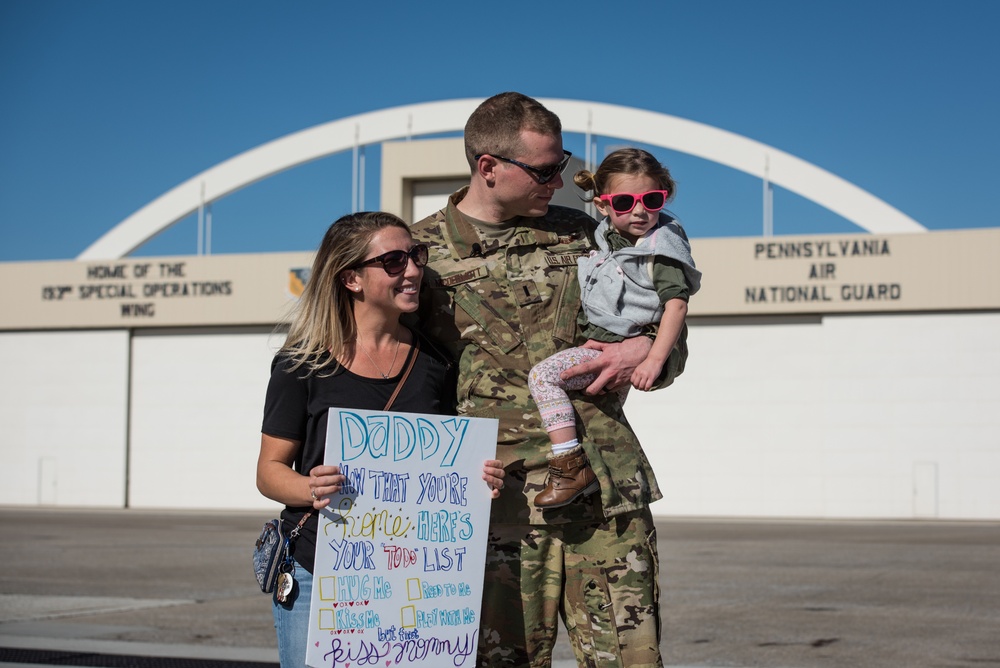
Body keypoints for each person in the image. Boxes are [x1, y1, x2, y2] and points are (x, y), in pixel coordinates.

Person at [411, 92, 674, 668]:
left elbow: (666, 322)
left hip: (602, 491)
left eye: (562, 164)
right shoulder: (419, 256)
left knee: (629, 662)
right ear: (489, 167)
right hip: (494, 503)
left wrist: (646, 347)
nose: (560, 181)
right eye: (545, 170)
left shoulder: (589, 235)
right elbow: (384, 366)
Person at [256, 211, 505, 668]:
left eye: (415, 255)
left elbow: (447, 462)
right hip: (319, 570)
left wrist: (478, 477)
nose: (413, 270)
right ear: (351, 278)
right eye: (393, 261)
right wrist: (311, 488)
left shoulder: (437, 363)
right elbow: (269, 473)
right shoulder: (301, 364)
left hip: (416, 580)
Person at [528, 148, 701, 509]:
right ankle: (587, 478)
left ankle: (568, 465)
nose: (640, 211)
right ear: (603, 206)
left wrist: (653, 358)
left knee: (543, 378)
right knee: (600, 409)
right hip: (606, 343)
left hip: (610, 345)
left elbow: (677, 305)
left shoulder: (659, 251)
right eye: (625, 201)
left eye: (652, 200)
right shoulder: (608, 237)